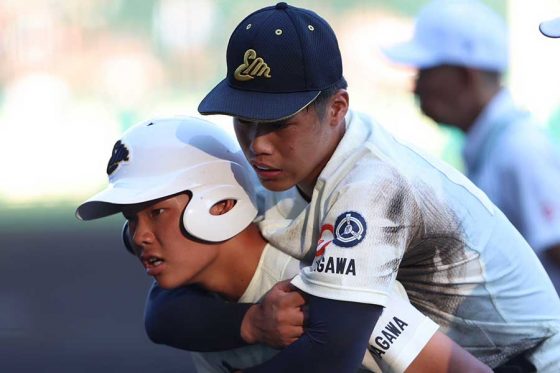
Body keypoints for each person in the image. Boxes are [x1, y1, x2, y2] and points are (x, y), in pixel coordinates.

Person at [146, 2, 560, 371]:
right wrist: (250, 322)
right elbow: (163, 308)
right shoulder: (281, 165)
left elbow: (331, 354)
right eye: (244, 119)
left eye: (278, 122)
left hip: (524, 360)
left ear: (337, 108)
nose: (257, 143)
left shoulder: (375, 186)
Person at [76, 116, 490, 373]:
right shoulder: (200, 302)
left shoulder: (323, 283)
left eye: (156, 212)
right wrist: (250, 323)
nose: (139, 236)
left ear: (220, 204)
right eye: (131, 220)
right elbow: (160, 319)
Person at [382, 0, 560, 293]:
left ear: (465, 76)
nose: (416, 86)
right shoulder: (494, 144)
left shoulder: (519, 149)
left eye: (425, 71)